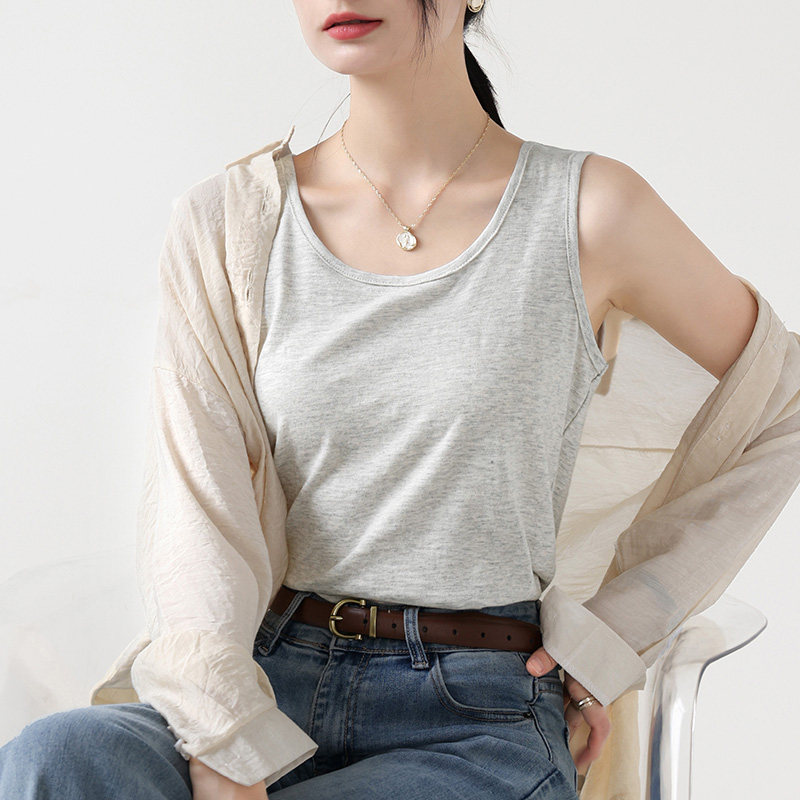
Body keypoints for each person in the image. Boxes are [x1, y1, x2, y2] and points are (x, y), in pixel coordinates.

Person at [0, 1, 777, 799]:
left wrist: (615, 632)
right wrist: (225, 745)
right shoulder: (231, 221)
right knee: (58, 760)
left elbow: (780, 397)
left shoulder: (587, 210)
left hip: (476, 713)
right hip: (269, 676)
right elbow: (199, 515)